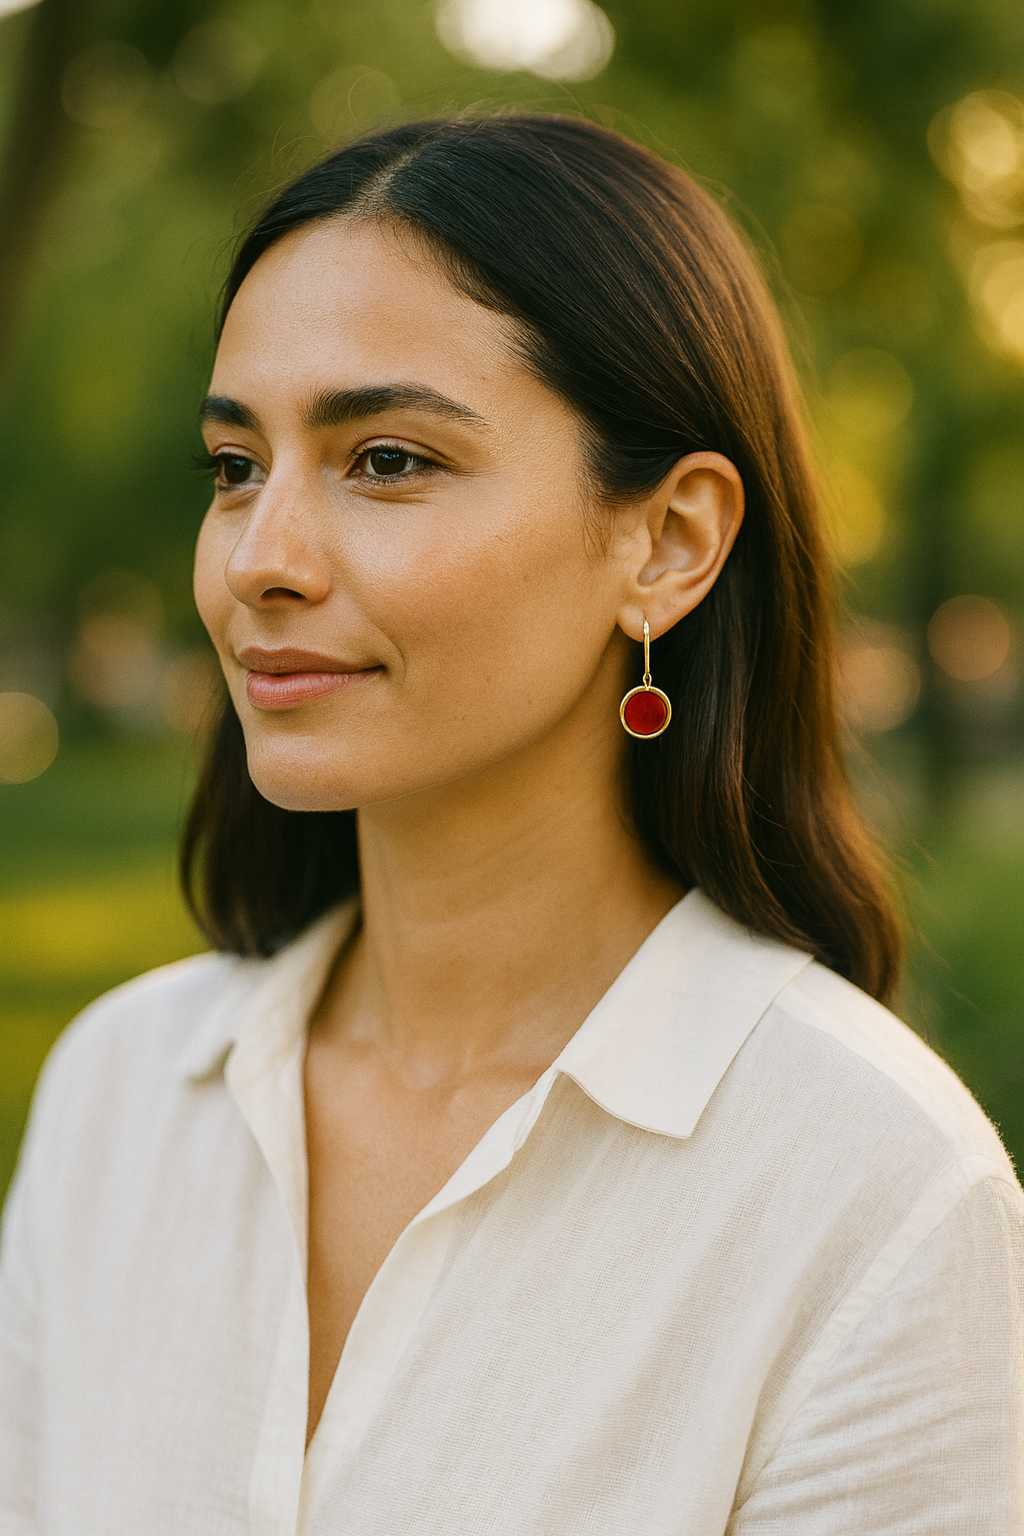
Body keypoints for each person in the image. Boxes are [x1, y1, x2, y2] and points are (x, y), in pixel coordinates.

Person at [1, 113, 1021, 1536]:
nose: (261, 561)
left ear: (666, 543)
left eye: (389, 459)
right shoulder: (117, 1099)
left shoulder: (874, 1196)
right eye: (236, 468)